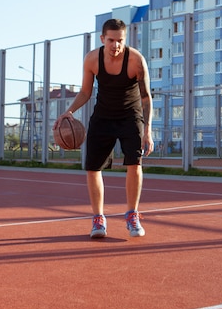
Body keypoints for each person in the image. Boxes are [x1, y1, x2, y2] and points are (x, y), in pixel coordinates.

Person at [53, 18, 154, 238]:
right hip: (103, 116)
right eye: (111, 40)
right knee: (93, 168)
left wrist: (148, 130)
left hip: (131, 115)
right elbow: (85, 92)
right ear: (102, 39)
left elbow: (146, 98)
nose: (115, 45)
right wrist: (69, 111)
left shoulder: (136, 60)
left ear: (124, 40)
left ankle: (132, 215)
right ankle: (98, 219)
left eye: (120, 41)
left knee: (134, 164)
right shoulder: (92, 59)